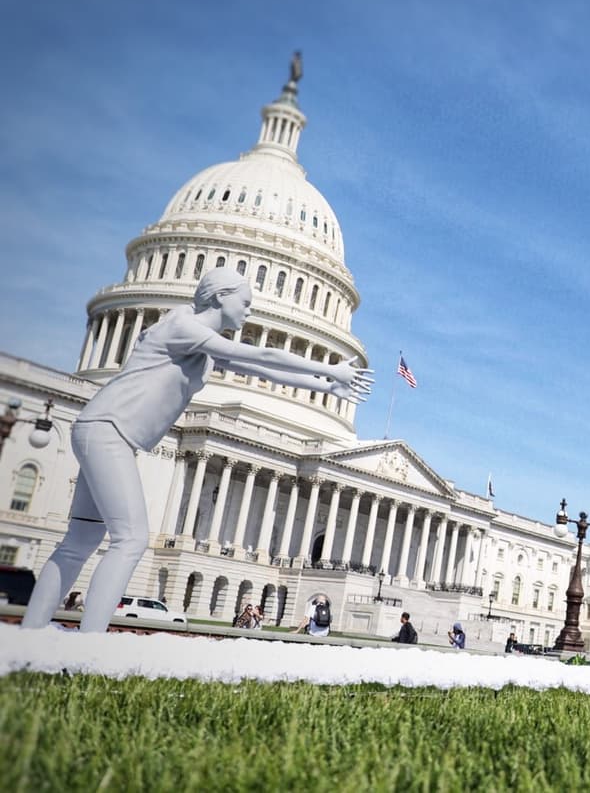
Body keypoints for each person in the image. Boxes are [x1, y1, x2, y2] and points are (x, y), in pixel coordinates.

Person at [21, 268, 373, 633]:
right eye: (246, 303)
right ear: (221, 296)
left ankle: (32, 631)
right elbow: (264, 353)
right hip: (109, 430)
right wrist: (328, 367)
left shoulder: (200, 345)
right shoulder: (182, 325)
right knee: (132, 538)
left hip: (107, 431)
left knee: (81, 539)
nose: (248, 312)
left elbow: (263, 370)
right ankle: (89, 640)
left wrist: (328, 385)